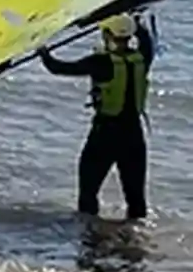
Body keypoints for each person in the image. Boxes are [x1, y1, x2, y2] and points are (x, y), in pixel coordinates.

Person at [40, 13, 156, 221]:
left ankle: (89, 239)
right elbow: (146, 38)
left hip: (105, 136)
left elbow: (57, 68)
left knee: (88, 193)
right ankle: (136, 243)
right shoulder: (144, 57)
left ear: (106, 35)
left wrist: (42, 50)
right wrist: (136, 20)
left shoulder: (100, 62)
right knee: (136, 199)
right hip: (134, 137)